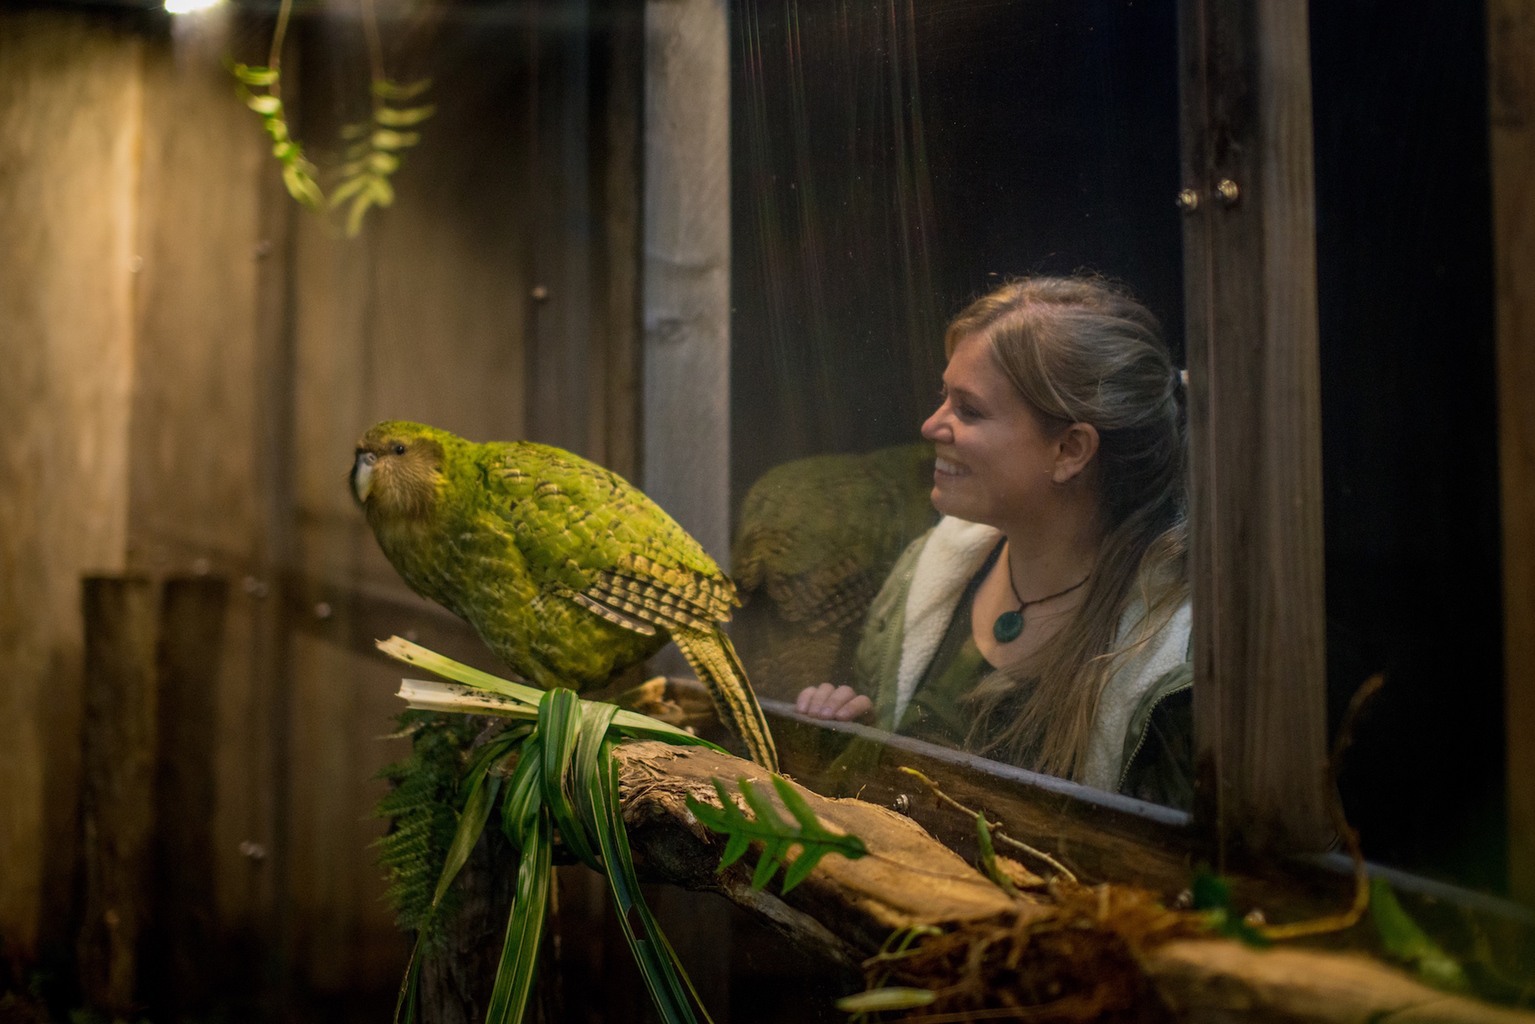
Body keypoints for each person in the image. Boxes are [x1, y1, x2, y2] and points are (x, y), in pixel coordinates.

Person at [794, 275, 1193, 808]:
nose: (932, 424)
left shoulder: (1170, 660)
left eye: (970, 409)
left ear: (1070, 450)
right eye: (944, 398)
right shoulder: (927, 575)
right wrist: (855, 752)